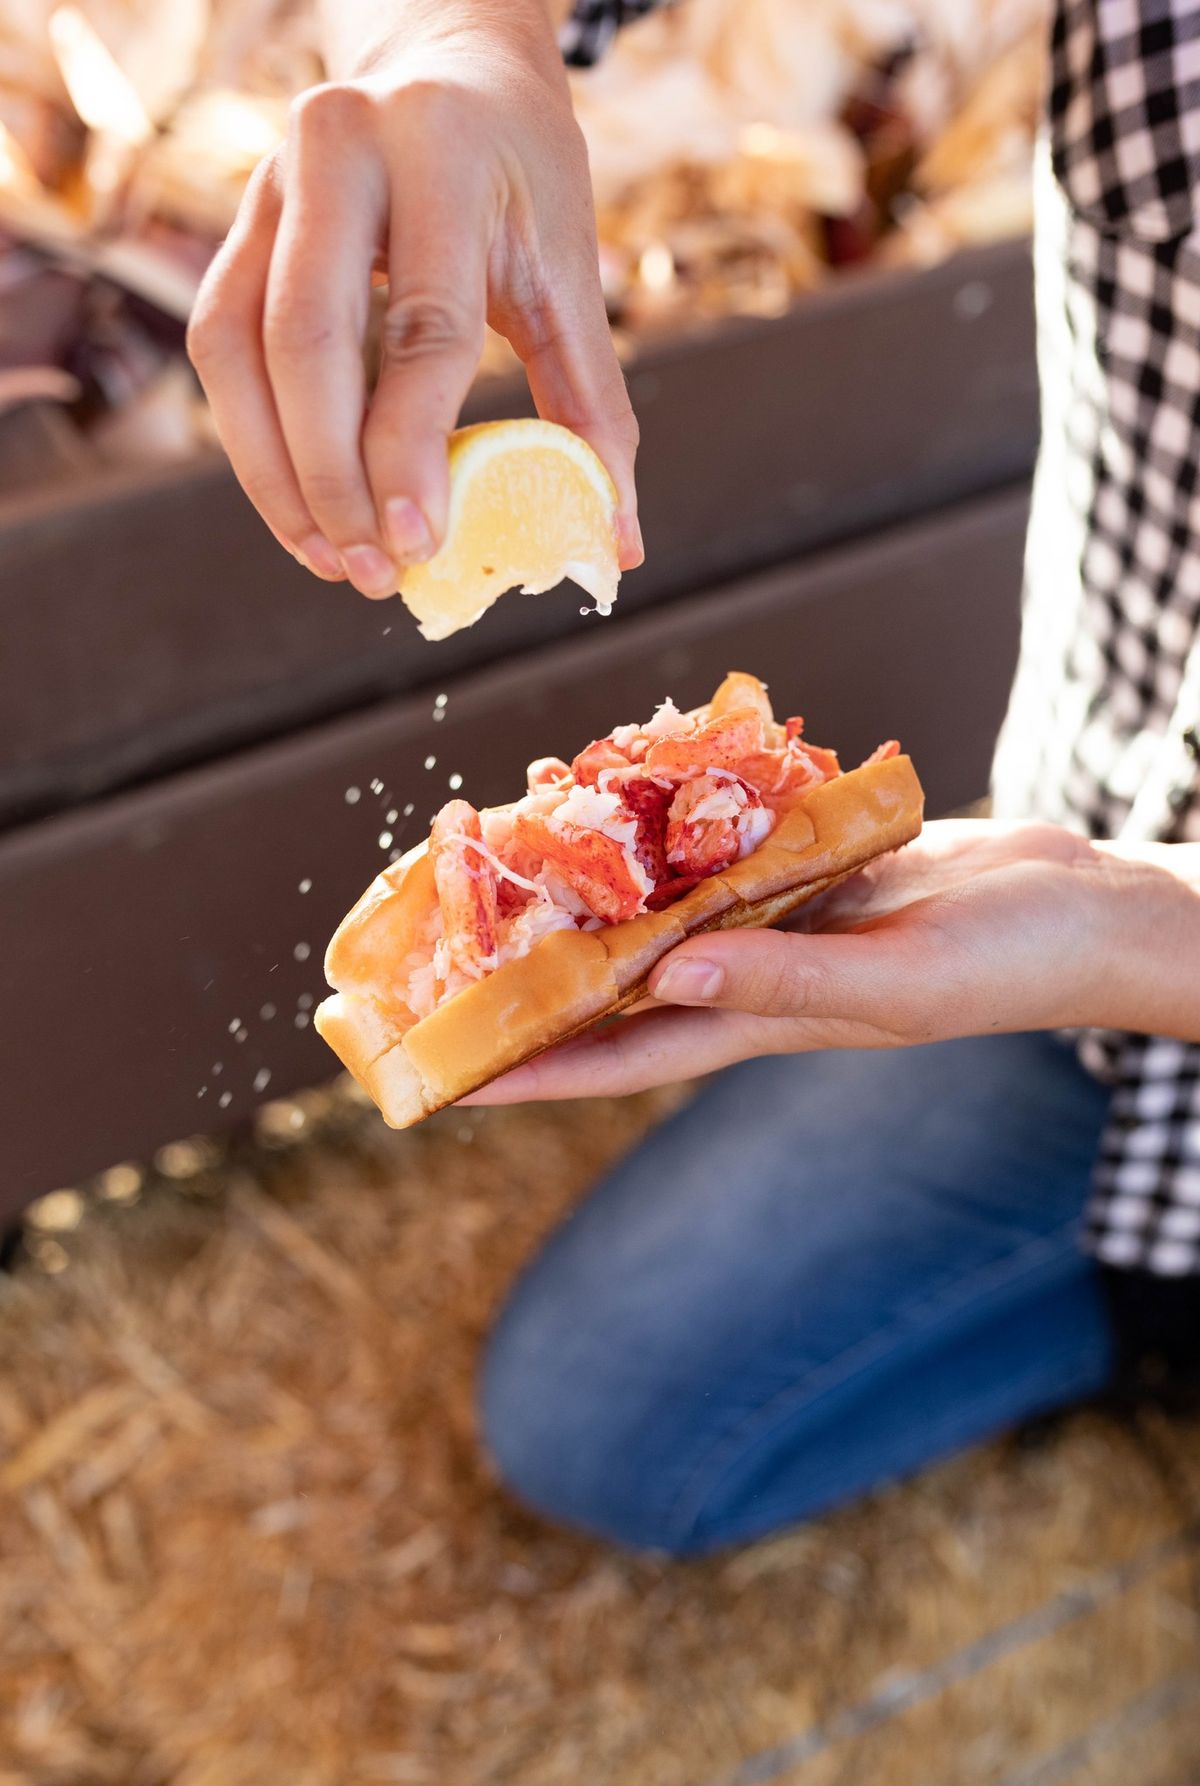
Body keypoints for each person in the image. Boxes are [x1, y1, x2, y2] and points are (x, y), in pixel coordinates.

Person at [189, 0, 1200, 1554]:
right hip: (1074, 895)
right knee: (597, 1418)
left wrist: (1147, 938)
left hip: (1130, 944)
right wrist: (464, 48)